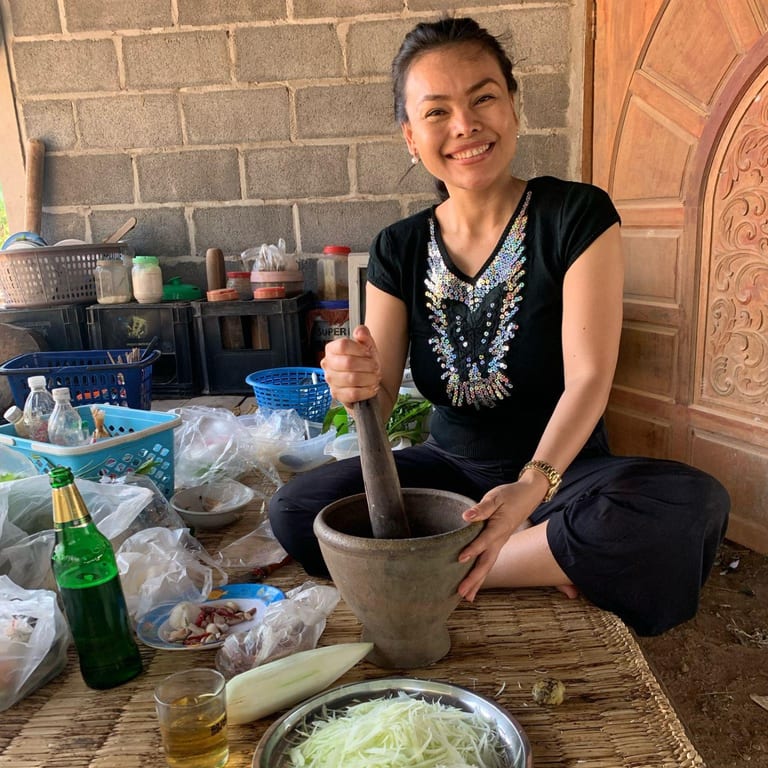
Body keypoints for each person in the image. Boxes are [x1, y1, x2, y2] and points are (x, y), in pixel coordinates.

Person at [269, 16, 730, 636]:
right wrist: (353, 386)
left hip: (562, 473)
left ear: (513, 106)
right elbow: (378, 402)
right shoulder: (398, 247)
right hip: (448, 472)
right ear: (411, 137)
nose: (465, 125)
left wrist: (530, 490)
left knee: (685, 505)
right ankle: (545, 556)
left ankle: (446, 567)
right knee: (295, 509)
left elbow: (589, 380)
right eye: (437, 111)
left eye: (483, 97)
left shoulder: (575, 214)